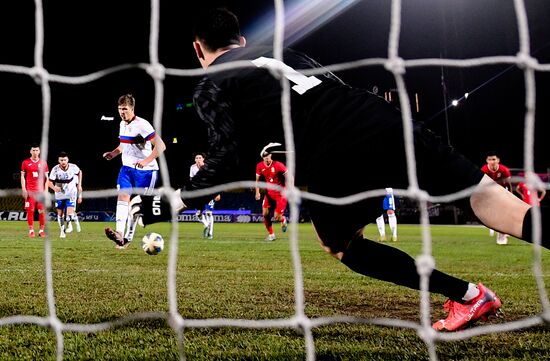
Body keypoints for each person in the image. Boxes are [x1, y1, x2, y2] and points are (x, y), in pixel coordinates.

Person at [128, 8, 549, 332]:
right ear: (240, 39)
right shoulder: (283, 52)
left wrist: (168, 204)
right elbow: (331, 87)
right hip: (382, 118)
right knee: (487, 198)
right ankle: (473, 294)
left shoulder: (212, 83)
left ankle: (471, 295)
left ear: (198, 50)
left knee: (342, 245)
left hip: (339, 149)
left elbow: (227, 160)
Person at [102, 94, 166, 248]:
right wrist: (113, 153)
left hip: (147, 172)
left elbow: (161, 146)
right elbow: (123, 145)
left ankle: (128, 237)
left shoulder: (143, 125)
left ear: (132, 109)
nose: (121, 112)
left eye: (124, 109)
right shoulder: (122, 124)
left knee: (136, 206)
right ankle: (119, 233)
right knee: (123, 196)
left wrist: (145, 161)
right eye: (119, 109)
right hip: (126, 169)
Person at [255, 143, 289, 241]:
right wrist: (257, 192)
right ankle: (271, 235)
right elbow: (257, 180)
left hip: (281, 194)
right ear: (263, 158)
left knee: (277, 217)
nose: (267, 159)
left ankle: (283, 220)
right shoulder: (259, 166)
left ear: (271, 156)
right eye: (265, 157)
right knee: (265, 213)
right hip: (269, 194)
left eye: (268, 157)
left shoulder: (278, 165)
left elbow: (289, 176)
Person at [47, 151, 83, 238]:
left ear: (68, 160)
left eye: (65, 160)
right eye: (61, 160)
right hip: (59, 193)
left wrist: (79, 184)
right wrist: (54, 188)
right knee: (60, 214)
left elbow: (79, 172)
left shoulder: (73, 167)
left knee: (69, 213)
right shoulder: (55, 169)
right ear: (58, 160)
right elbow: (49, 182)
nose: (63, 162)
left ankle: (71, 224)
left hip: (71, 192)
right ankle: (62, 231)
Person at [481, 151, 513, 244]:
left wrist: (510, 195)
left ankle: (502, 232)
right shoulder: (483, 170)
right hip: (489, 193)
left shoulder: (504, 170)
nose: (492, 162)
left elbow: (509, 184)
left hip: (502, 192)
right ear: (487, 161)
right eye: (490, 160)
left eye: (494, 159)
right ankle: (495, 227)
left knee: (504, 213)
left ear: (498, 160)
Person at [189, 152, 221, 239]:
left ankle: (210, 233)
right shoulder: (192, 167)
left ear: (203, 159)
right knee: (198, 214)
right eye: (196, 158)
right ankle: (206, 225)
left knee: (209, 213)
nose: (198, 159)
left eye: (200, 158)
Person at [20, 144, 49, 238]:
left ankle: (41, 231)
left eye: (37, 150)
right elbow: (22, 176)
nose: (35, 152)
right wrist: (24, 189)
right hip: (30, 192)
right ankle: (31, 230)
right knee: (30, 211)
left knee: (42, 211)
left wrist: (46, 191)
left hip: (41, 191)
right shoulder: (25, 162)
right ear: (30, 151)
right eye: (33, 150)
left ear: (39, 151)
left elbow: (47, 178)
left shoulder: (43, 162)